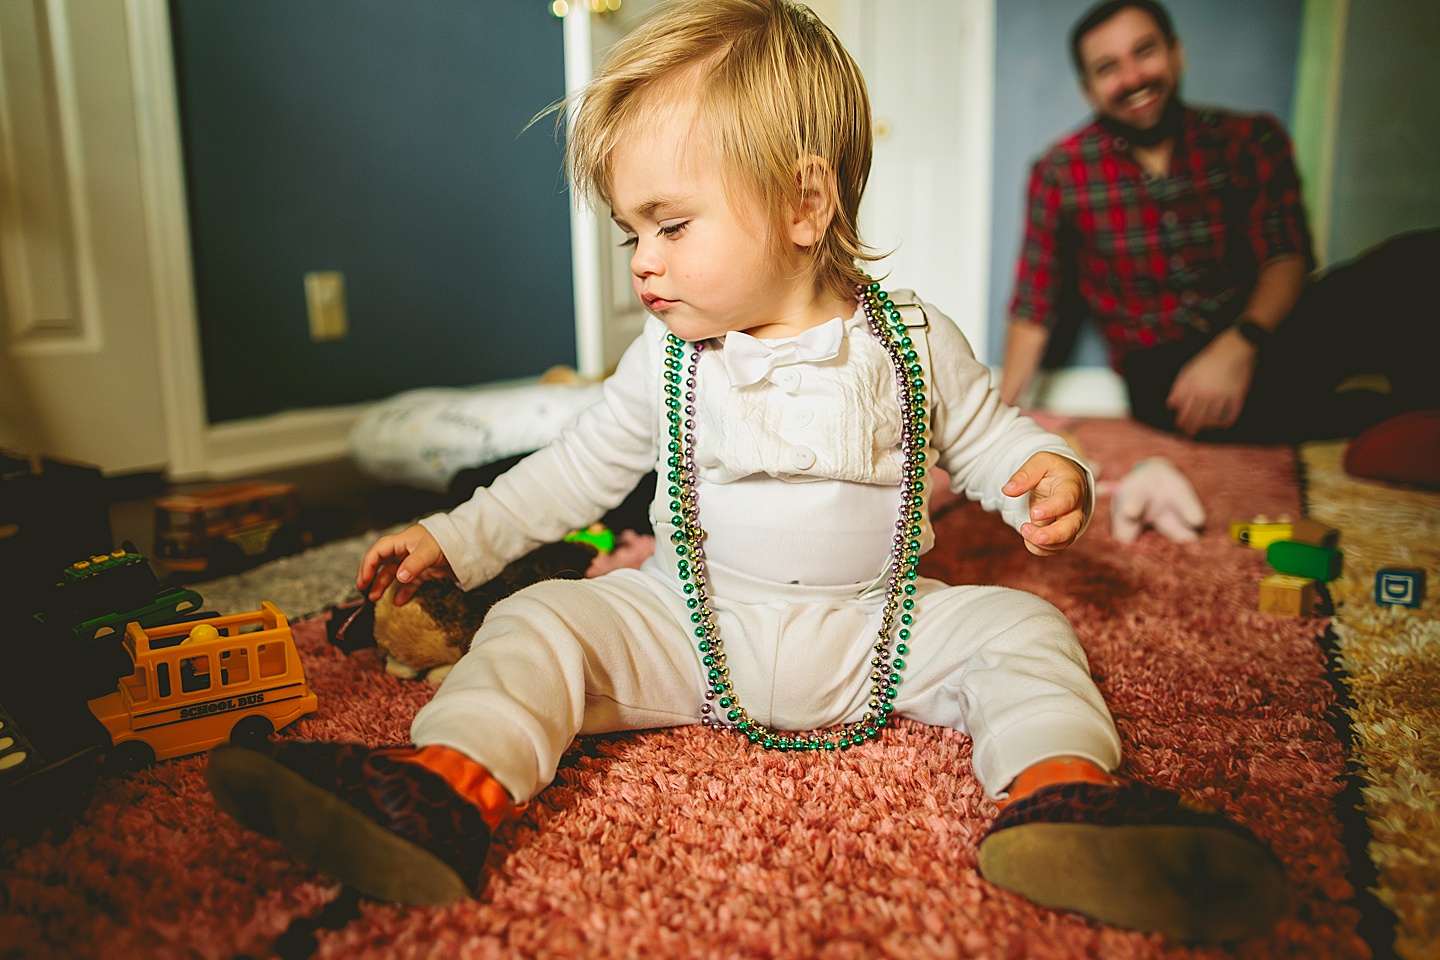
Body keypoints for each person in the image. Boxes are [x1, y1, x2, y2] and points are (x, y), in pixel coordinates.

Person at [205, 0, 1284, 941]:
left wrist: (1048, 472)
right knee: (540, 623)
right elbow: (573, 471)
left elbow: (993, 436)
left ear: (806, 205)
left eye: (671, 224)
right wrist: (459, 537)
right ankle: (445, 789)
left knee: (1029, 631)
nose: (642, 260)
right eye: (631, 230)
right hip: (691, 627)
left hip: (880, 631)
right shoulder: (667, 359)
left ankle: (1064, 799)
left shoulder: (911, 339)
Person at [1000, 0, 1435, 443]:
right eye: (1108, 67)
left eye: (1144, 51)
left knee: (1416, 260)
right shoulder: (1058, 172)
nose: (1133, 78)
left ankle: (1410, 414)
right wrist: (994, 423)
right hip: (1160, 366)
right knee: (1226, 408)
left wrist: (1240, 345)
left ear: (1176, 54)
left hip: (1261, 329)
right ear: (1088, 89)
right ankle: (1395, 421)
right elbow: (1034, 306)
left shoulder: (1250, 140)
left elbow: (1287, 258)